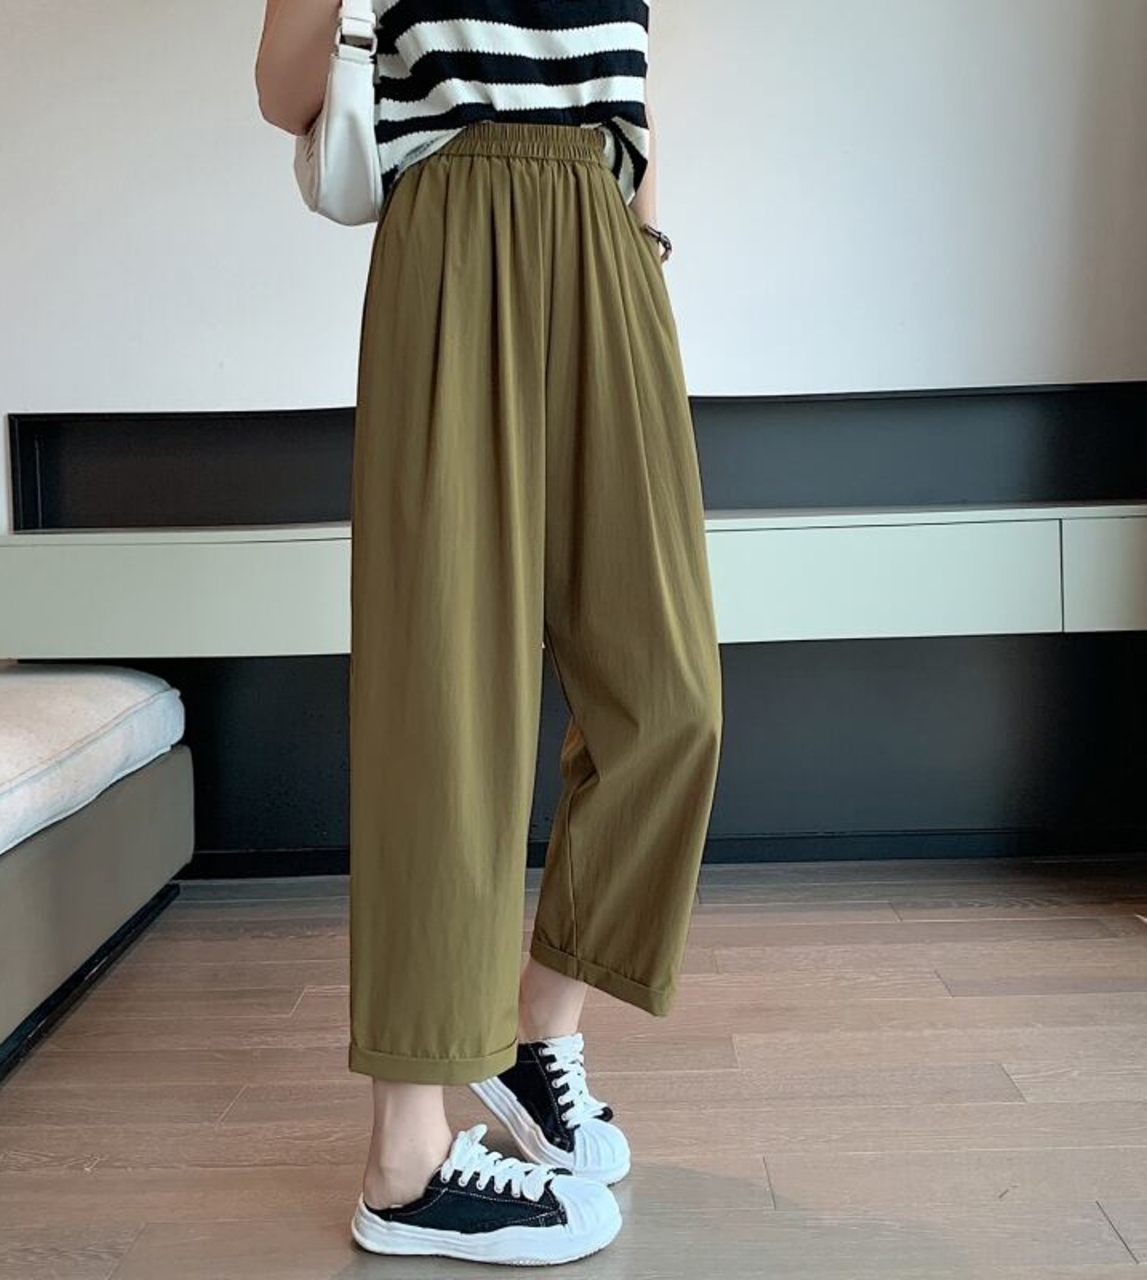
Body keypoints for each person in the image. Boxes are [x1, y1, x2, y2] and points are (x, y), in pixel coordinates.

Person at [256, 0, 723, 1266]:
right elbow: (283, 90)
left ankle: (533, 1029)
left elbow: (629, 94)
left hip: (606, 246)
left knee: (670, 697)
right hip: (453, 235)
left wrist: (639, 247)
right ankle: (404, 1159)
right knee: (445, 701)